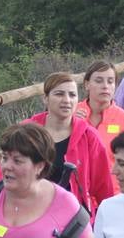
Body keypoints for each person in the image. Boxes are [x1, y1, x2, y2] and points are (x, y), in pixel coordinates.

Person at [17, 72, 116, 218]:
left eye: (72, 95)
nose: (67, 100)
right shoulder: (25, 132)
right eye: (59, 94)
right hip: (28, 214)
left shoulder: (89, 136)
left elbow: (103, 188)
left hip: (72, 219)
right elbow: (6, 175)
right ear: (45, 98)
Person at [76, 60, 124, 176]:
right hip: (77, 187)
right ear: (86, 84)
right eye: (99, 81)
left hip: (113, 188)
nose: (105, 86)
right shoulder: (71, 114)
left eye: (110, 81)